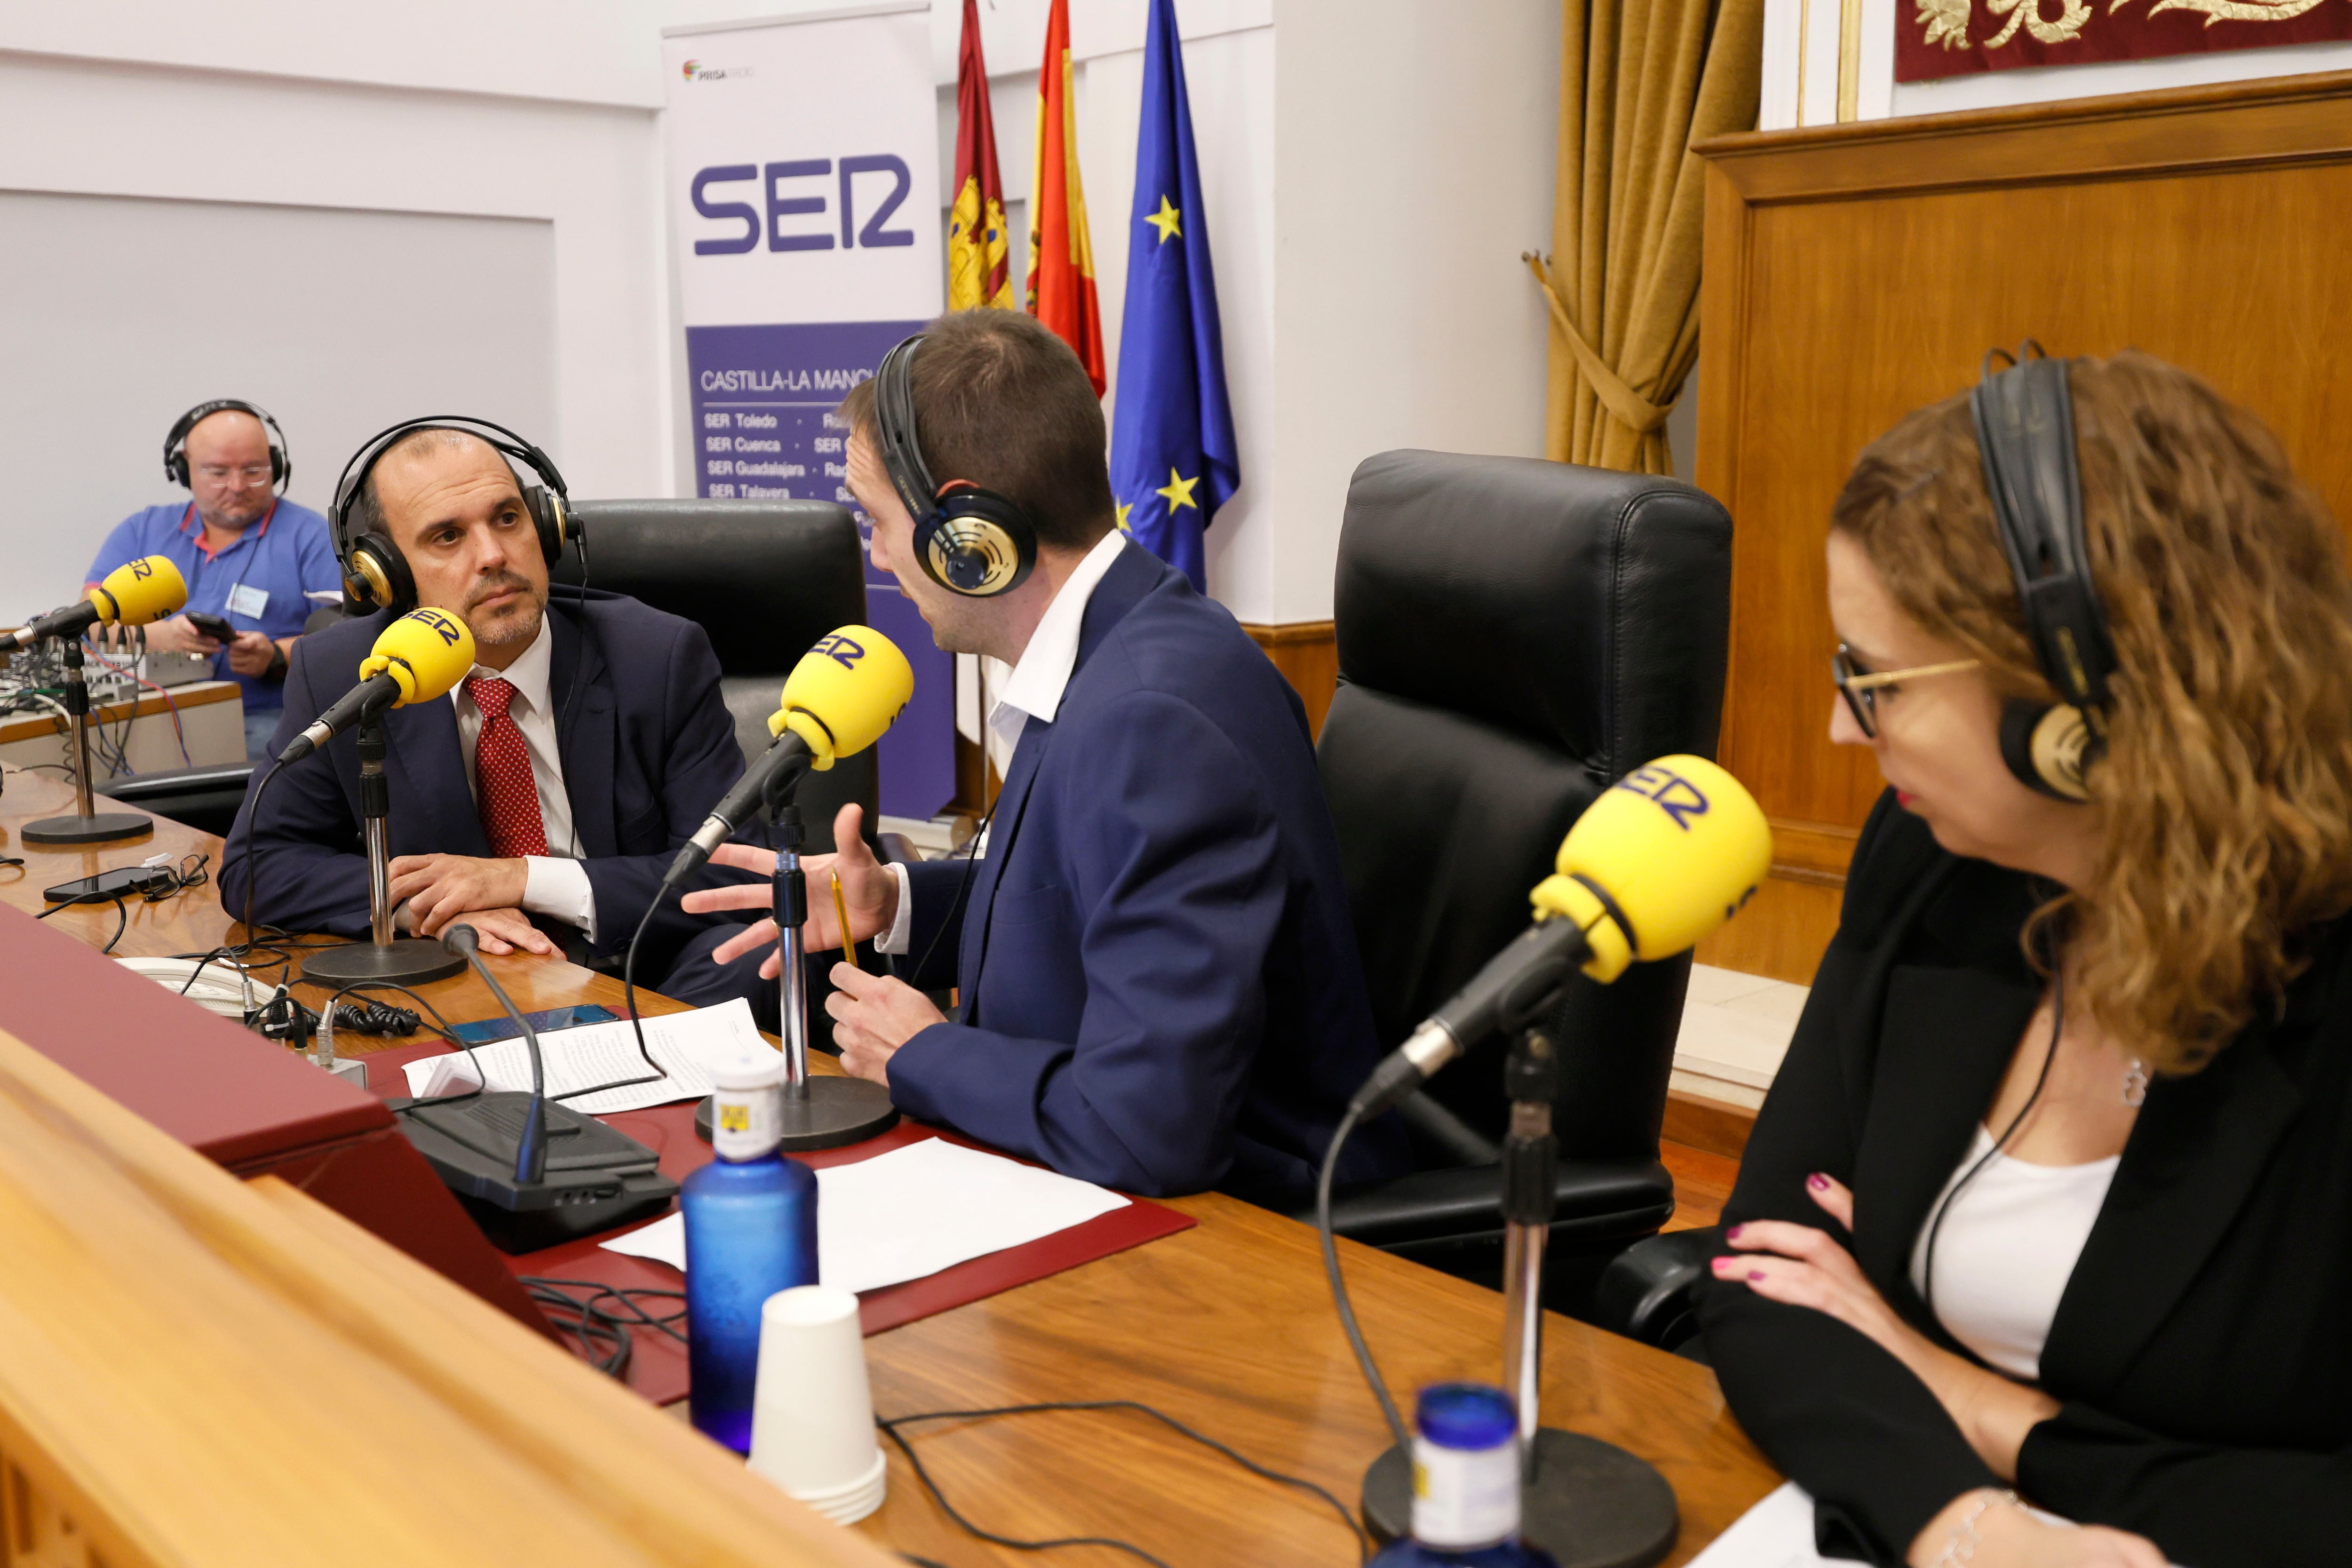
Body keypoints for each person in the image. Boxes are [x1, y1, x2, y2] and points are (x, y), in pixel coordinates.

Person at [1698, 351, 2352, 1568]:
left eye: (1875, 680)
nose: (1845, 727)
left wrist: (1983, 1408)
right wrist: (1966, 1523)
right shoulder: (1935, 859)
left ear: (2074, 713)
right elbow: (1761, 1274)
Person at [682, 309, 1405, 1205]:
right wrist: (897, 900)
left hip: (1247, 1231)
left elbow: (1150, 1129)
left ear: (970, 535)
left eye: (876, 519)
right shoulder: (1117, 643)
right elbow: (1090, 886)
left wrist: (925, 1053)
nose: (875, 554)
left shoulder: (1152, 721)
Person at [218, 422, 765, 998]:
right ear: (387, 576)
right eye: (447, 537)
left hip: (642, 972)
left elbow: (733, 868)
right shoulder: (348, 671)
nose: (493, 556)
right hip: (464, 980)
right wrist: (424, 907)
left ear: (547, 527)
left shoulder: (655, 655)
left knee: (751, 962)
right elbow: (256, 864)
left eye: (507, 518)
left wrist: (520, 879)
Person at [87, 401, 342, 759]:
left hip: (264, 720)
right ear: (183, 470)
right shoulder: (141, 531)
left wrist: (275, 657)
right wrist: (163, 636)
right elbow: (92, 616)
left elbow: (349, 636)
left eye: (254, 471)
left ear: (277, 466)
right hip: (148, 718)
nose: (237, 486)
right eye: (218, 472)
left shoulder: (313, 537)